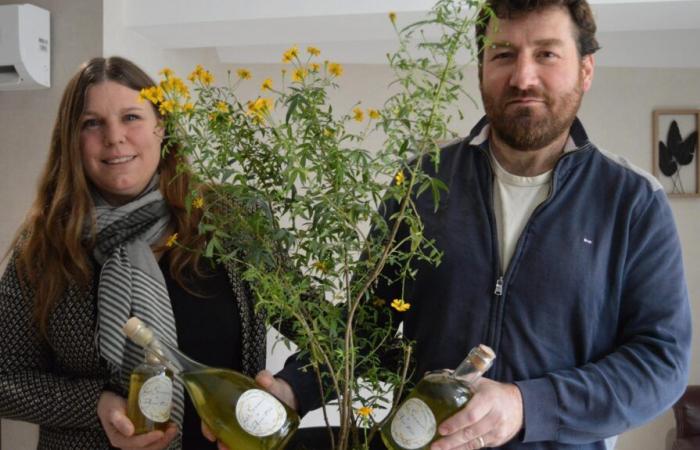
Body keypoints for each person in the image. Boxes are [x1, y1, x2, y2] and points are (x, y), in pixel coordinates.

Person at [272, 1, 693, 449]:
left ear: (586, 69)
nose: (523, 77)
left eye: (547, 54)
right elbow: (368, 324)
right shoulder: (420, 184)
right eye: (503, 54)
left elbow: (660, 364)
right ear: (480, 68)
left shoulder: (633, 202)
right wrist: (293, 388)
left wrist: (527, 405)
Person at [0, 56, 296, 449]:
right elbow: (5, 378)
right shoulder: (43, 245)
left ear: (162, 127)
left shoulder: (233, 219)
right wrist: (95, 405)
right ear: (71, 140)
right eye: (92, 123)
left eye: (131, 118)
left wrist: (290, 391)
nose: (114, 137)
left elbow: (322, 335)